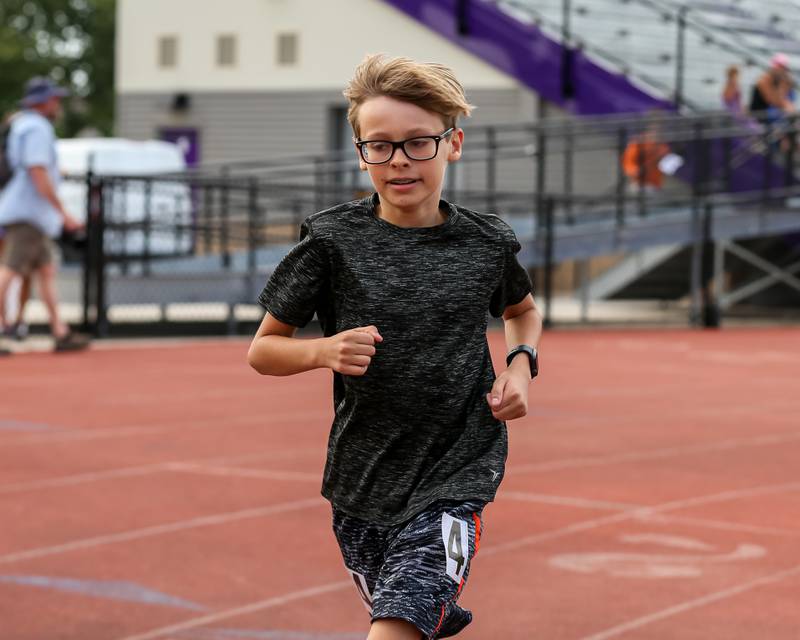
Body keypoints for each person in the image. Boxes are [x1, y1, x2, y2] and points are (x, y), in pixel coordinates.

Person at [248, 54, 542, 639]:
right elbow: (264, 350)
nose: (399, 160)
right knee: (405, 618)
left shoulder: (486, 243)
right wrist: (322, 351)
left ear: (452, 144)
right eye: (379, 146)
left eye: (418, 143)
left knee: (398, 623)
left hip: (458, 468)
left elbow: (522, 313)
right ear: (360, 153)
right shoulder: (332, 241)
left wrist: (520, 367)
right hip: (362, 479)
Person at [0, 77, 88, 352]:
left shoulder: (23, 125)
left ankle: (59, 331)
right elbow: (37, 171)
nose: (57, 104)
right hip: (28, 213)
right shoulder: (36, 128)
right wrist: (64, 213)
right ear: (41, 102)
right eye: (54, 99)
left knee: (46, 271)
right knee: (10, 271)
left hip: (32, 214)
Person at [749, 53, 795, 122]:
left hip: (766, 116)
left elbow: (782, 100)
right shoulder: (764, 80)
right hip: (758, 117)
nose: (783, 71)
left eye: (784, 69)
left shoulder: (777, 80)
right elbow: (773, 100)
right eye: (781, 68)